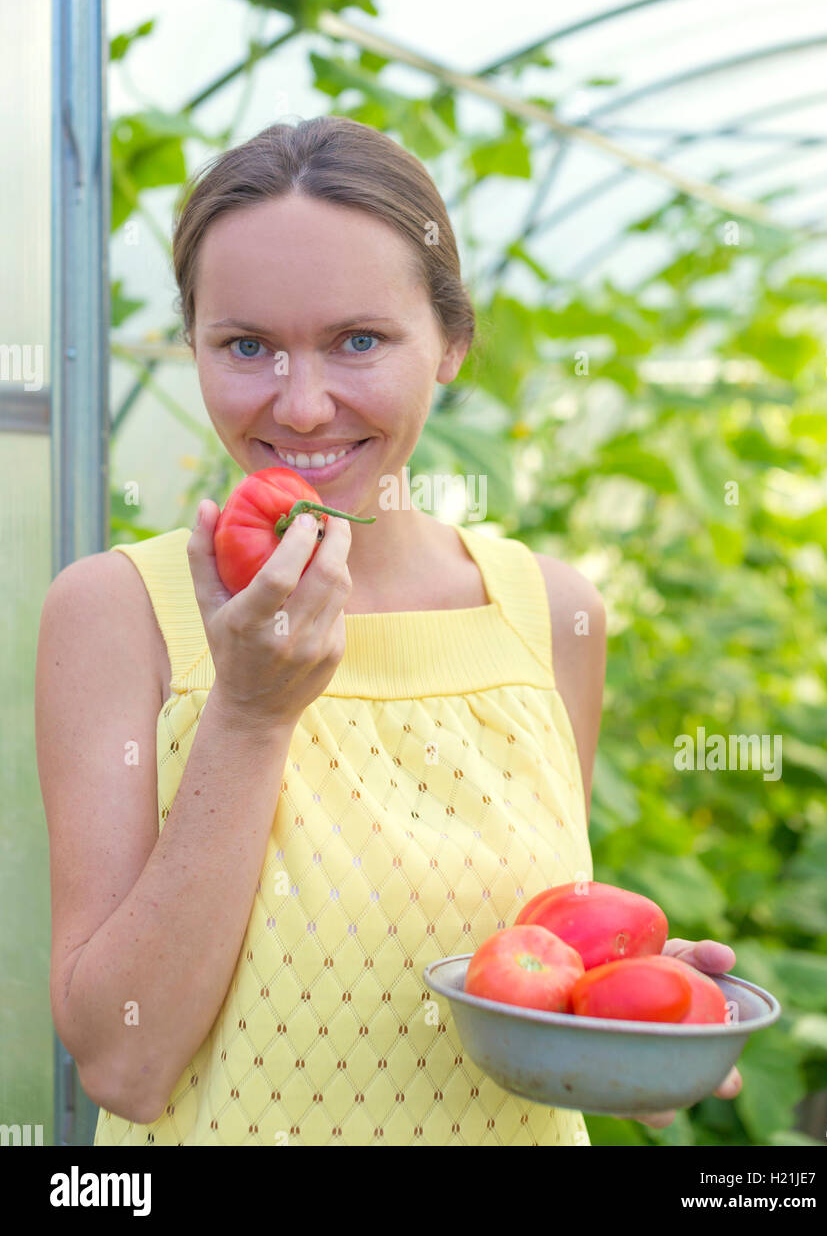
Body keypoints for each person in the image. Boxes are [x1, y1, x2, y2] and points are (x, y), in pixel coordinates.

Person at [36, 115, 740, 1145]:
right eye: (246, 346)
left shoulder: (545, 610)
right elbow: (123, 1062)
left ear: (451, 342)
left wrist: (624, 1016)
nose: (305, 405)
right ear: (192, 344)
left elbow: (529, 951)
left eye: (358, 340)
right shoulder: (116, 611)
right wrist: (248, 710)